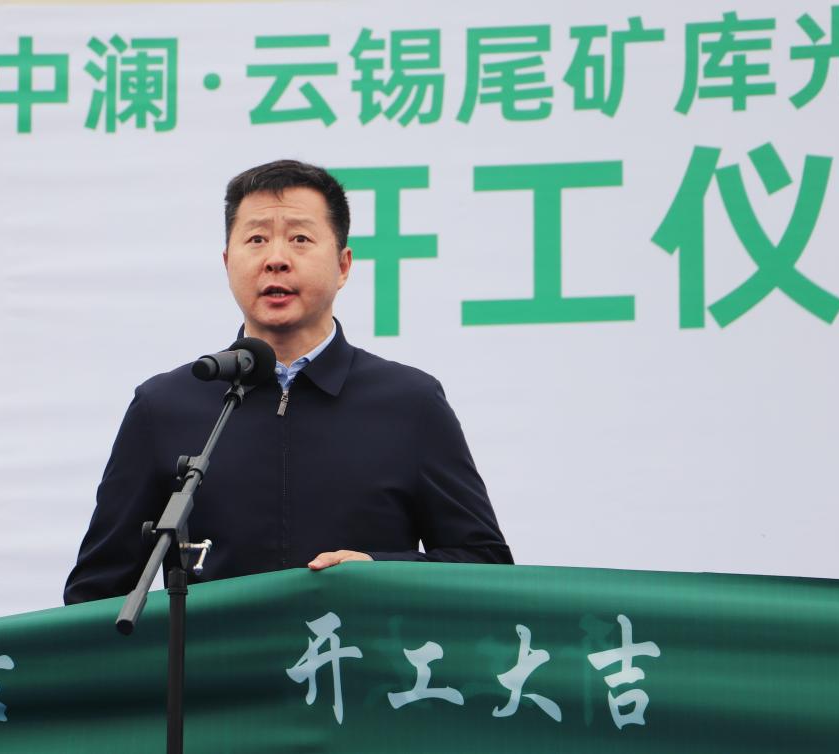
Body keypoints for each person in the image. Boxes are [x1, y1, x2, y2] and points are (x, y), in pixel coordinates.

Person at [63, 159, 512, 604]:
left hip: (355, 651)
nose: (276, 259)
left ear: (343, 265)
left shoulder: (410, 403)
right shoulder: (163, 406)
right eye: (256, 239)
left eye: (300, 239)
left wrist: (379, 572)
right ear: (227, 262)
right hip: (212, 655)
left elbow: (486, 566)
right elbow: (96, 593)